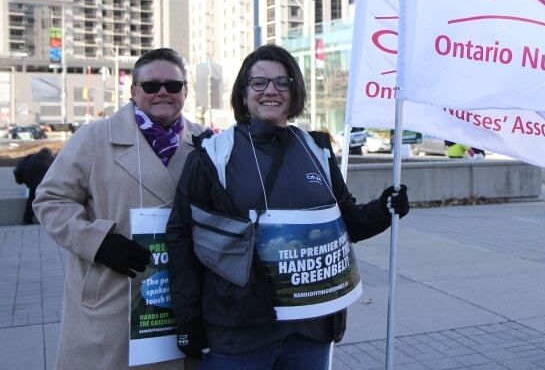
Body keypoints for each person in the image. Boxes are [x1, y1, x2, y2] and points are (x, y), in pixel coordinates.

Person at [166, 44, 409, 369]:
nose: (271, 91)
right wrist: (187, 322)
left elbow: (348, 223)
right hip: (239, 333)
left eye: (283, 82)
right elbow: (182, 237)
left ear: (295, 92)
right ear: (243, 92)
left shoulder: (316, 149)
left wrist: (385, 208)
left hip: (309, 333)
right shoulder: (213, 155)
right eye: (259, 82)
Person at [34, 48, 205, 370]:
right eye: (151, 86)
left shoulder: (204, 142)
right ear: (134, 90)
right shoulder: (93, 138)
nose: (163, 92)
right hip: (112, 295)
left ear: (186, 90)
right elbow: (51, 200)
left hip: (180, 295)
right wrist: (98, 242)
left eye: (173, 85)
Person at [13, 147, 54, 224]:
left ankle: (27, 219)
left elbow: (18, 169)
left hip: (31, 181)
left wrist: (20, 180)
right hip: (42, 183)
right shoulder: (50, 159)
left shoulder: (30, 157)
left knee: (31, 199)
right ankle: (48, 220)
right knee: (47, 200)